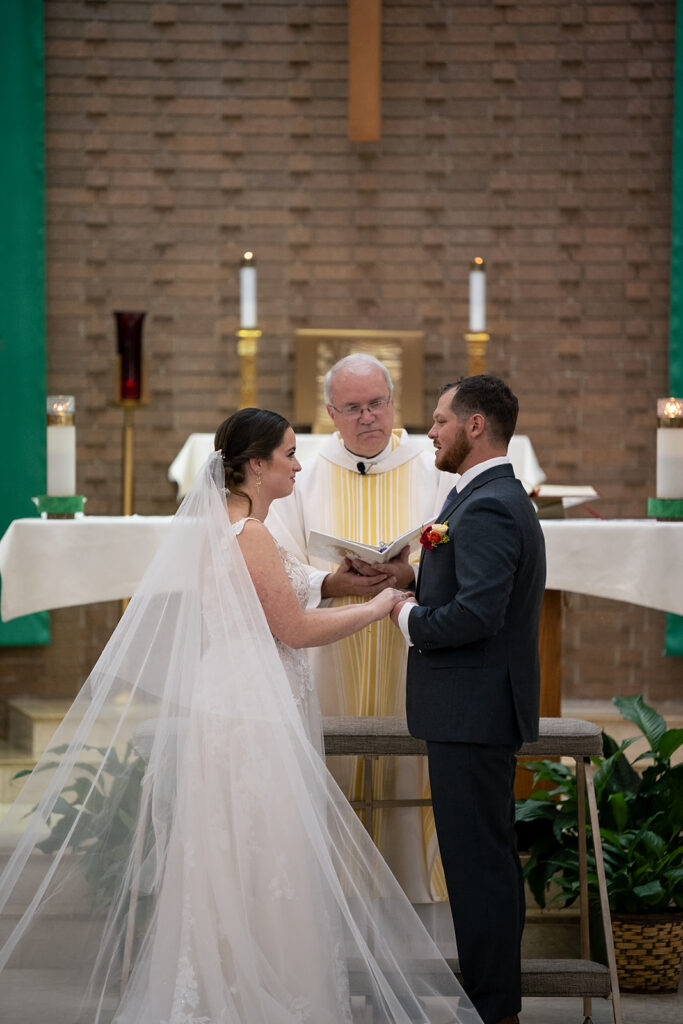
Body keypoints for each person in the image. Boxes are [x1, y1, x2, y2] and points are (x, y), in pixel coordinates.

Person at [0, 408, 481, 1024]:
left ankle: (224, 984)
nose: (299, 464)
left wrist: (341, 583)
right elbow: (295, 629)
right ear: (256, 465)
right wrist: (384, 603)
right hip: (249, 714)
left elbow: (277, 591)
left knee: (237, 855)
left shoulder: (236, 526)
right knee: (263, 854)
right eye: (287, 454)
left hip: (234, 702)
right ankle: (256, 995)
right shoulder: (249, 533)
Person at [267, 353, 457, 901]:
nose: (367, 416)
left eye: (376, 403)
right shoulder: (303, 473)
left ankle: (413, 894)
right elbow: (275, 560)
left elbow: (458, 552)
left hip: (410, 645)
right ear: (330, 412)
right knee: (333, 767)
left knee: (409, 773)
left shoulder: (432, 467)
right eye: (352, 407)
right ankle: (332, 898)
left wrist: (409, 571)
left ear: (393, 403)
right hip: (328, 649)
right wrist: (333, 578)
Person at [391, 376, 547, 1024]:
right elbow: (471, 586)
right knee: (482, 859)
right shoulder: (490, 496)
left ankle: (493, 1010)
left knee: (477, 866)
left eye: (439, 420)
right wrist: (410, 573)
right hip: (474, 709)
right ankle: (496, 1004)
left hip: (472, 710)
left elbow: (477, 614)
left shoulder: (484, 505)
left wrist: (403, 616)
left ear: (474, 425)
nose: (430, 431)